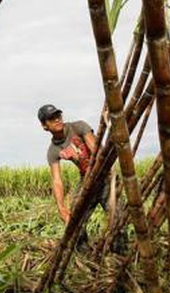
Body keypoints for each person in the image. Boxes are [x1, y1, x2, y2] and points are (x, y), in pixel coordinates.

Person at [38, 104, 116, 251]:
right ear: (44, 126)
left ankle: (119, 253)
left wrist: (78, 154)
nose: (56, 120)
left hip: (105, 176)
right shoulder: (53, 151)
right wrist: (61, 207)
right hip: (85, 178)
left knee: (117, 217)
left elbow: (97, 151)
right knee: (74, 220)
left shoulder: (78, 127)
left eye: (58, 116)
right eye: (51, 118)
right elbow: (57, 180)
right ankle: (84, 252)